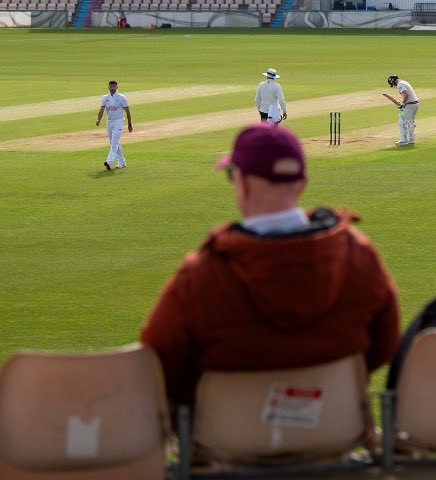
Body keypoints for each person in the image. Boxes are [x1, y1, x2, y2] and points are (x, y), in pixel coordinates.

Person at [140, 124, 401, 411]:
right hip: (333, 435)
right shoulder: (359, 256)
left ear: (243, 183)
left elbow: (154, 369)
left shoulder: (201, 275)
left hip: (227, 445)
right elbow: (383, 347)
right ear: (302, 184)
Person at [96, 78, 132, 171]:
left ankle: (109, 161)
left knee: (114, 143)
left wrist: (129, 124)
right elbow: (101, 109)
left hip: (119, 121)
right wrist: (98, 119)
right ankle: (122, 162)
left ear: (117, 87)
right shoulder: (105, 97)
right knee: (114, 143)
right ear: (108, 87)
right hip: (109, 122)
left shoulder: (121, 97)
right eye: (111, 86)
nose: (112, 87)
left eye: (114, 86)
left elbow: (128, 111)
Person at [387, 74, 419, 146]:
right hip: (415, 103)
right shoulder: (404, 82)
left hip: (410, 104)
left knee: (402, 121)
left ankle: (404, 140)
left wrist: (402, 104)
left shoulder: (400, 85)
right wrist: (403, 104)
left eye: (393, 84)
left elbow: (406, 95)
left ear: (394, 81)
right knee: (410, 121)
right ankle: (411, 140)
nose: (394, 85)